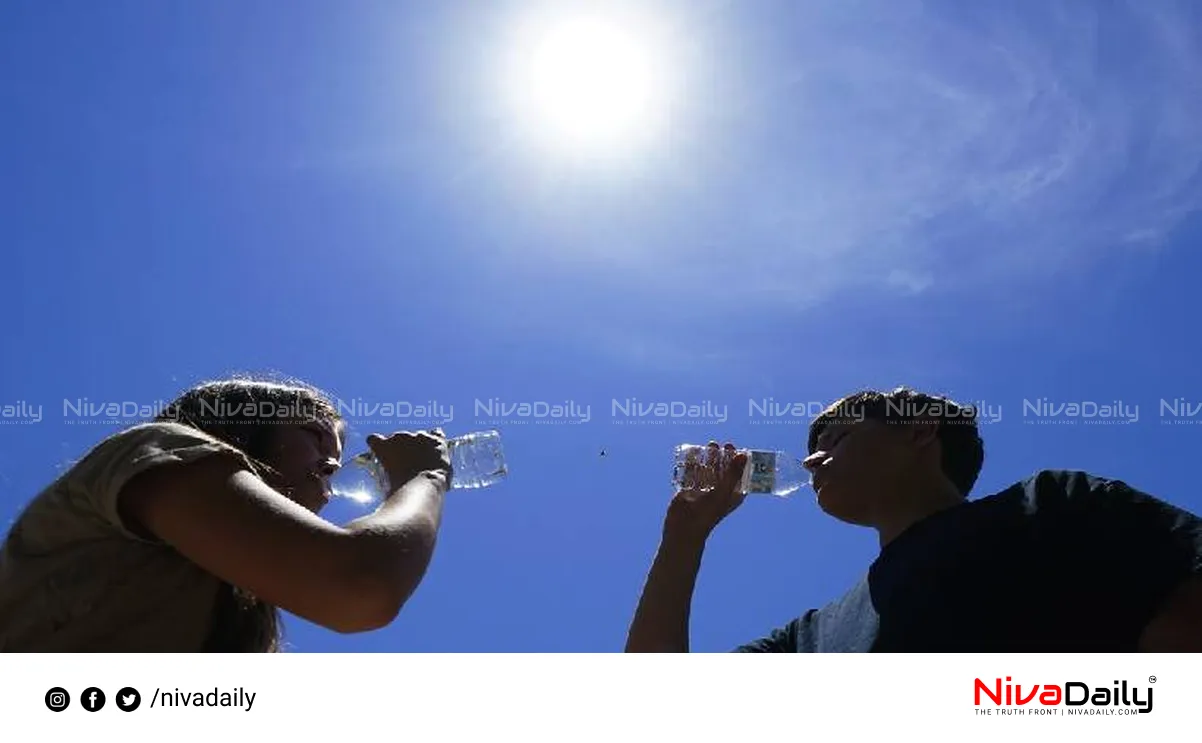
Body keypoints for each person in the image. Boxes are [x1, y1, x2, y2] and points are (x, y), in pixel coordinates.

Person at [625, 387, 1202, 652]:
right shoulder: (810, 637)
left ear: (920, 431)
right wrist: (685, 535)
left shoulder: (1051, 506)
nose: (809, 459)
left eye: (839, 435)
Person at [0, 376, 453, 651]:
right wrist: (425, 476)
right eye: (314, 435)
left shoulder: (234, 602)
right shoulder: (156, 448)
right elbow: (361, 585)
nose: (331, 465)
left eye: (335, 458)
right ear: (241, 425)